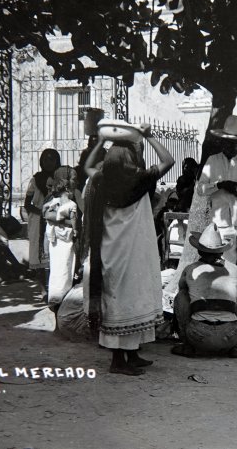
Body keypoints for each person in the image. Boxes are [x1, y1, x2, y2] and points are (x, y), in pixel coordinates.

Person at [84, 121, 175, 376]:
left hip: (116, 249)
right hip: (131, 250)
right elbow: (169, 161)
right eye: (137, 151)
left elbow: (88, 166)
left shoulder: (103, 178)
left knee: (123, 297)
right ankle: (117, 361)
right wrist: (151, 136)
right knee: (126, 298)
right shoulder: (139, 178)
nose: (141, 154)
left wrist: (101, 143)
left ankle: (131, 353)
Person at [197, 115, 237, 306]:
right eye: (229, 142)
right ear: (222, 141)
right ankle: (230, 306)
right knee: (227, 267)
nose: (233, 147)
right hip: (222, 224)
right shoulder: (212, 161)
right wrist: (219, 185)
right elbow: (201, 189)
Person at [171, 224, 237, 358]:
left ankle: (188, 345)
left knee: (182, 296)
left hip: (198, 336)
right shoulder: (234, 268)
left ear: (199, 251)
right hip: (230, 336)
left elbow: (181, 290)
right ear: (221, 252)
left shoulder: (191, 269)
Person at [24, 148, 61, 298]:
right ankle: (42, 289)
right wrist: (41, 212)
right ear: (41, 161)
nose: (48, 162)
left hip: (56, 218)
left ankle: (54, 286)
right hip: (38, 220)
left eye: (52, 159)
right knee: (38, 255)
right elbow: (27, 203)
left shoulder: (61, 179)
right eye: (45, 159)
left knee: (54, 252)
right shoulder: (35, 180)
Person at [42, 166, 79, 309]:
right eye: (74, 179)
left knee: (66, 270)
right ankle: (58, 302)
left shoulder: (72, 197)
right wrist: (67, 221)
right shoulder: (54, 198)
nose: (76, 182)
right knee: (61, 271)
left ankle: (62, 302)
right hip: (59, 241)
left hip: (67, 240)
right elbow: (47, 215)